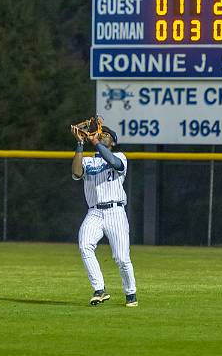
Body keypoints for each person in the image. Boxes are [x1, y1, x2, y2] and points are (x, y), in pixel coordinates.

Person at [71, 124, 137, 307]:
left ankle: (131, 293)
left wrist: (95, 142)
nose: (103, 134)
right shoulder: (88, 161)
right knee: (85, 246)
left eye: (107, 134)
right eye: (102, 132)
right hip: (94, 212)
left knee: (121, 258)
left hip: (115, 211)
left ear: (113, 142)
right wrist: (80, 144)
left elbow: (115, 164)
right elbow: (76, 172)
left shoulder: (119, 157)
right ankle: (99, 289)